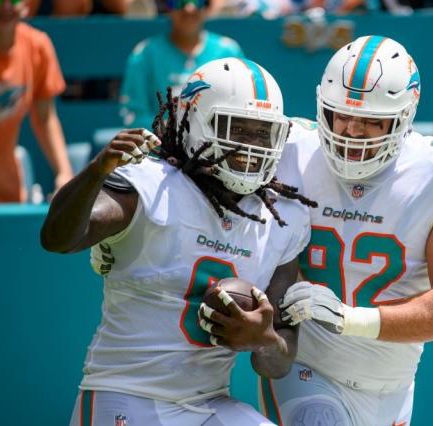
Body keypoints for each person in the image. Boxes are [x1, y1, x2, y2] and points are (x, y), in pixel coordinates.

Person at [198, 36, 433, 425]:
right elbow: (202, 158)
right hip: (307, 369)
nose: (352, 130)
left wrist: (350, 318)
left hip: (394, 382)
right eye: (341, 114)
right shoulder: (291, 151)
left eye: (371, 120)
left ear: (403, 118)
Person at [41, 57, 316, 425]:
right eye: (237, 129)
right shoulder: (150, 185)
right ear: (194, 122)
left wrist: (262, 338)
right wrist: (95, 172)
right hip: (126, 394)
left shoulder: (283, 219)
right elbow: (58, 238)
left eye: (261, 133)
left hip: (209, 402)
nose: (251, 148)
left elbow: (277, 364)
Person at [0, 0, 73, 203]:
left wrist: (64, 173)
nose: (5, 7)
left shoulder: (38, 45)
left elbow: (45, 118)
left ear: (26, 4)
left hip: (7, 190)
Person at [119, 0, 244, 129]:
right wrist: (174, 131)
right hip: (161, 146)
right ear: (168, 7)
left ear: (207, 6)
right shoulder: (145, 53)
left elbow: (241, 107)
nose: (189, 8)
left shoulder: (228, 51)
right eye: (178, 2)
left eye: (198, 1)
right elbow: (134, 115)